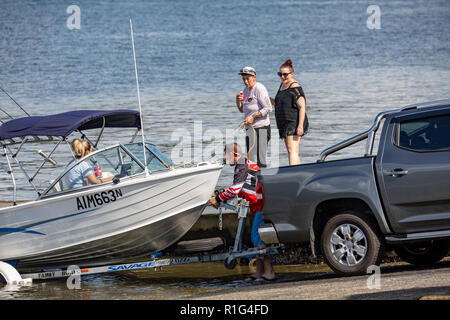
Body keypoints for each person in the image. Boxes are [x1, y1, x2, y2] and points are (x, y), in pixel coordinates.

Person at [208, 143, 276, 281]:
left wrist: (217, 198)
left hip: (263, 206)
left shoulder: (242, 165)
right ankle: (259, 272)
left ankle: (269, 272)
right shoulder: (244, 163)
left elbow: (235, 189)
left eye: (227, 156)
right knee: (255, 238)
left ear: (235, 154)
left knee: (258, 239)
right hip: (260, 205)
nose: (226, 160)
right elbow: (240, 190)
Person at [272, 59, 309, 165]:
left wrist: (300, 126)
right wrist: (266, 99)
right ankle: (298, 173)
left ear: (292, 73)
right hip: (284, 122)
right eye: (280, 74)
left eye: (285, 74)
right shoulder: (282, 85)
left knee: (292, 151)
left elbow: (302, 107)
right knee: (292, 151)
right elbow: (278, 103)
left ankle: (294, 173)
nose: (282, 77)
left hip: (293, 122)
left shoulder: (295, 86)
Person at [235, 66, 272, 168]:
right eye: (243, 79)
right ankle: (253, 183)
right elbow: (242, 110)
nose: (245, 81)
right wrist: (238, 101)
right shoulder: (245, 90)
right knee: (251, 161)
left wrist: (253, 117)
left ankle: (263, 182)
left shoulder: (259, 88)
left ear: (254, 77)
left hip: (262, 128)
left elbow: (268, 108)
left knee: (261, 161)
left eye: (248, 78)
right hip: (250, 129)